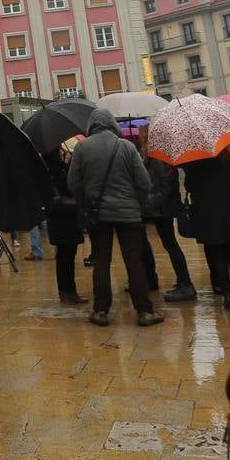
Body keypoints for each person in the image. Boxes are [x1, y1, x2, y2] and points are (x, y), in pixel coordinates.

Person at [68, 109, 162, 327]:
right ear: (112, 124)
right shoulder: (127, 147)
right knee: (134, 261)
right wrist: (136, 203)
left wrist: (86, 202)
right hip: (128, 214)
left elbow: (73, 184)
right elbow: (144, 183)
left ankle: (101, 311)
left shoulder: (82, 148)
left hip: (98, 214)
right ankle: (145, 312)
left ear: (92, 125)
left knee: (101, 260)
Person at [182, 144, 230, 309]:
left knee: (218, 254)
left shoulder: (196, 163)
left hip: (209, 215)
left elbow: (189, 186)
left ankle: (225, 290)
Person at [141, 134, 196, 302]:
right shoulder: (156, 155)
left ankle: (185, 284)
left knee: (170, 245)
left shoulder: (159, 157)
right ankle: (181, 282)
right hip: (160, 208)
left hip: (161, 209)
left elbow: (163, 185)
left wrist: (148, 204)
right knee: (168, 244)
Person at [46, 141, 86, 303]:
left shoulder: (54, 166)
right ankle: (68, 291)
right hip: (64, 218)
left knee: (65, 256)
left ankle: (67, 291)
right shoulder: (53, 169)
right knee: (66, 256)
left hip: (62, 219)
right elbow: (65, 189)